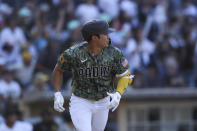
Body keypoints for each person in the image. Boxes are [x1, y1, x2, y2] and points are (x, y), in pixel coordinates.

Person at [52, 20, 134, 131]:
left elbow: (126, 75)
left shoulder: (114, 53)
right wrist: (57, 93)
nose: (108, 37)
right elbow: (58, 71)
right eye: (105, 34)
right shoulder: (73, 53)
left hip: (103, 102)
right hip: (81, 101)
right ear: (95, 38)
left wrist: (118, 93)